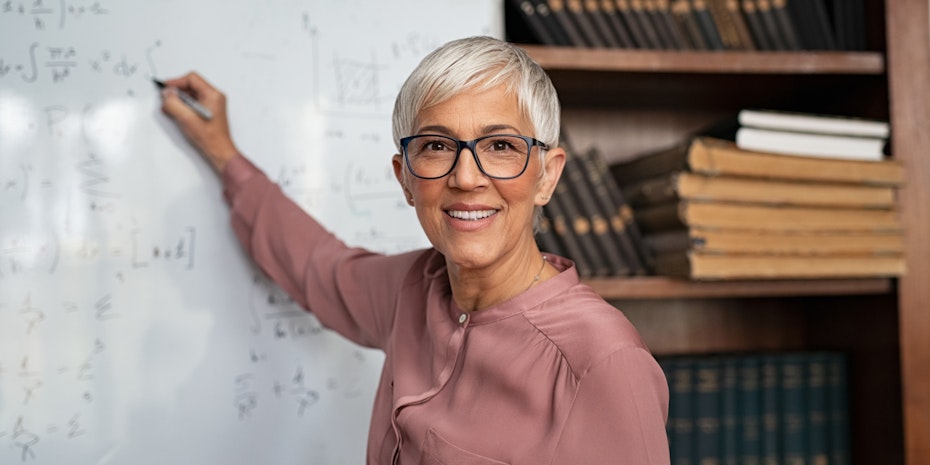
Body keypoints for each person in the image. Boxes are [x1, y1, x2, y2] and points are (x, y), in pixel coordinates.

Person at [159, 35, 669, 465]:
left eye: (501, 146)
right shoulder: (411, 289)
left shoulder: (603, 362)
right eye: (437, 146)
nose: (466, 178)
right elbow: (317, 264)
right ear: (405, 178)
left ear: (547, 176)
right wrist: (224, 154)